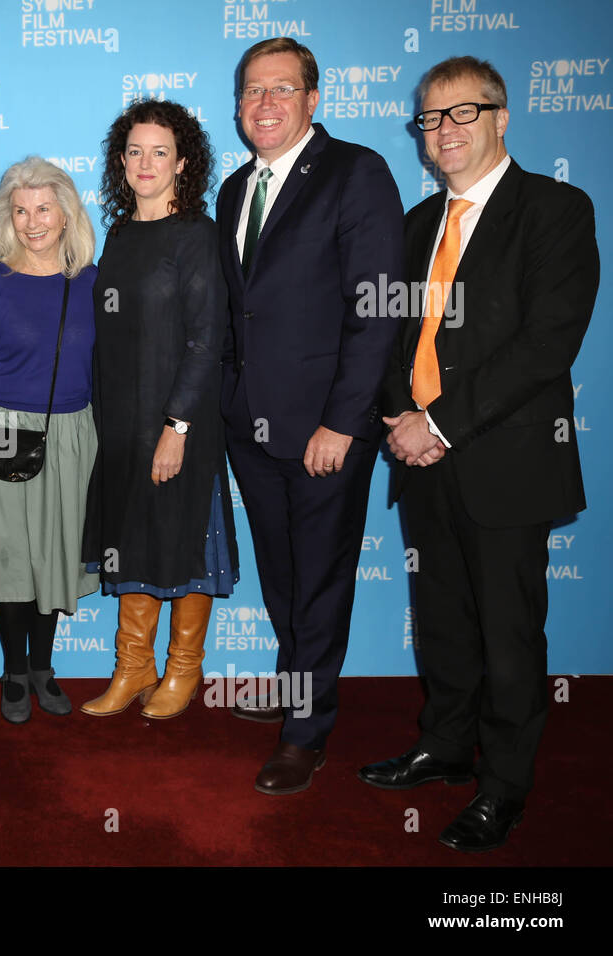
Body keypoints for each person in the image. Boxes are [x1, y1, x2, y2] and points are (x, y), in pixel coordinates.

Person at [360, 57, 599, 852]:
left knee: (507, 633)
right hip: (420, 458)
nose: (443, 132)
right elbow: (393, 334)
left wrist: (440, 424)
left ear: (503, 117)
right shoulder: (417, 224)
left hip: (504, 462)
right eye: (430, 119)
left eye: (463, 114)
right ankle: (445, 744)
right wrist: (400, 414)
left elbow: (545, 345)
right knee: (443, 622)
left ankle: (504, 786)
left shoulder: (557, 209)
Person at [216, 38, 403, 794]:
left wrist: (344, 421)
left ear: (313, 99)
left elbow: (376, 309)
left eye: (282, 89)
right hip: (250, 426)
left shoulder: (356, 173)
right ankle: (297, 688)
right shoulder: (234, 190)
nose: (265, 104)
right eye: (252, 91)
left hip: (326, 425)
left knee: (321, 580)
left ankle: (307, 731)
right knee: (285, 577)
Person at [80, 100, 238, 722]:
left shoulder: (197, 235)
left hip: (180, 424)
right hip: (119, 423)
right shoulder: (118, 235)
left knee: (182, 541)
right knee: (131, 538)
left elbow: (207, 340)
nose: (146, 163)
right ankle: (133, 665)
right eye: (135, 151)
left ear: (184, 163)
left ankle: (183, 669)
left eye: (160, 152)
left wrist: (176, 428)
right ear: (121, 162)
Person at [0, 157, 99, 723]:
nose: (33, 222)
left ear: (65, 213)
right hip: (2, 431)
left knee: (54, 559)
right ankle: (14, 671)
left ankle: (43, 668)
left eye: (43, 209)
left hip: (72, 437)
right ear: (7, 217)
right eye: (20, 210)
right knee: (12, 563)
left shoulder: (90, 280)